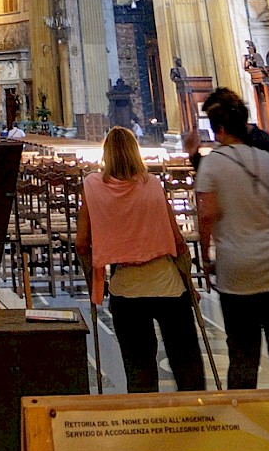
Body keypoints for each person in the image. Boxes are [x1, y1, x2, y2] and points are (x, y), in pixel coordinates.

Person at [75, 124, 204, 394]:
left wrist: (92, 281)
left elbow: (82, 243)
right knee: (187, 366)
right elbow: (177, 240)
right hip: (167, 285)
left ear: (106, 154)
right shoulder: (152, 184)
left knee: (139, 370)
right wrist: (190, 283)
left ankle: (144, 426)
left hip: (126, 288)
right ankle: (197, 420)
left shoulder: (93, 186)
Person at [195, 88, 269, 388]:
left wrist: (205, 258)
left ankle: (244, 426)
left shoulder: (212, 164)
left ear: (218, 130)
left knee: (243, 355)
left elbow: (206, 215)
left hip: (240, 270)